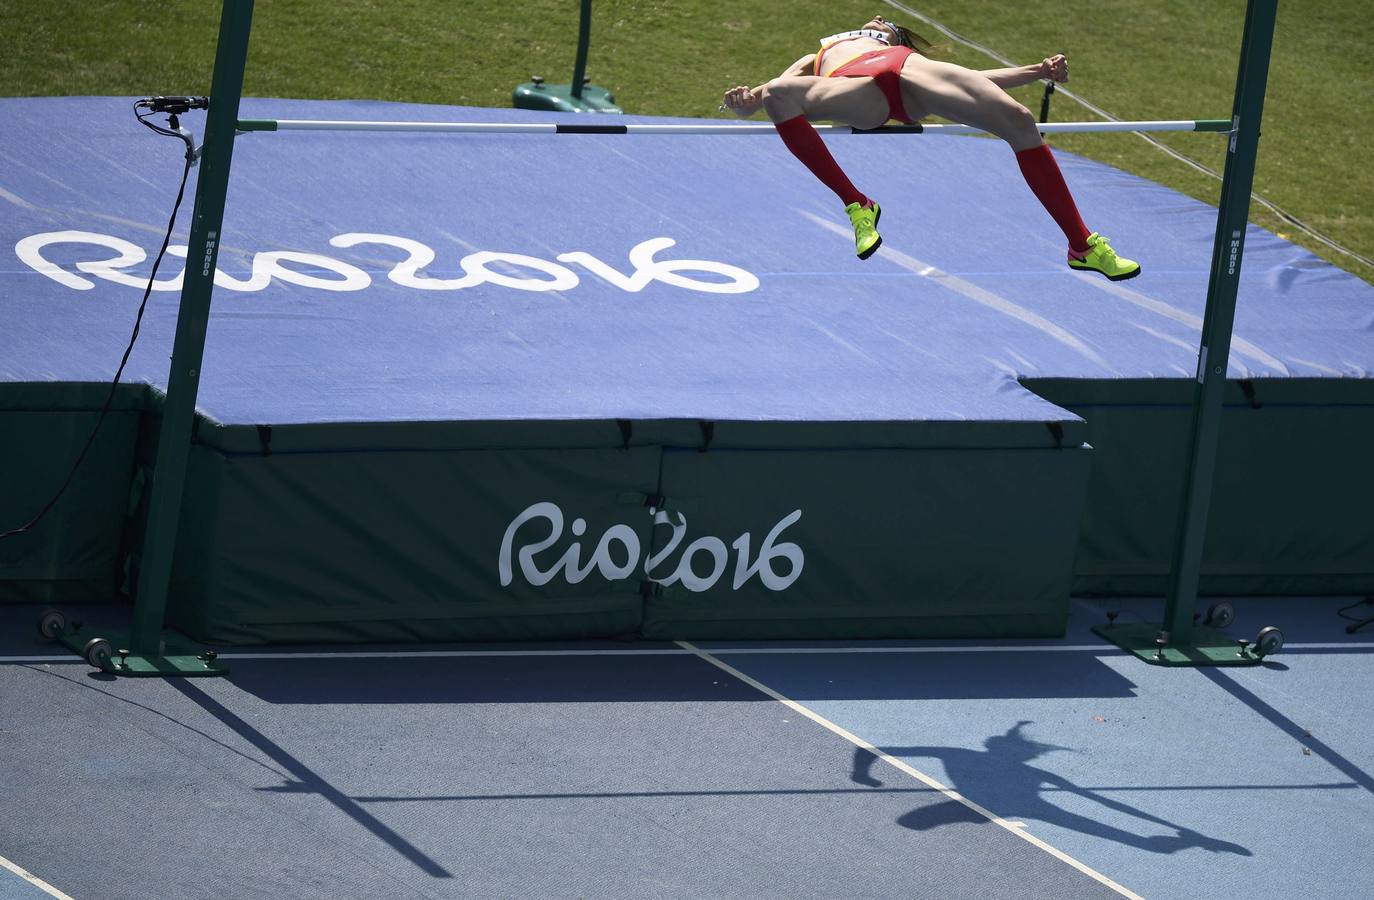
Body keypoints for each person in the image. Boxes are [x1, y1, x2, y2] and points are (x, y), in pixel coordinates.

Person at [721, 14, 1140, 280]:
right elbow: (763, 101)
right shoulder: (817, 55)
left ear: (890, 32)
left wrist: (1037, 71)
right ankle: (858, 205)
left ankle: (1082, 246)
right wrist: (744, 101)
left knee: (1021, 122)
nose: (878, 16)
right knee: (778, 92)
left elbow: (976, 77)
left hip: (910, 74)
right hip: (858, 91)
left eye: (885, 22)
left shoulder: (896, 47)